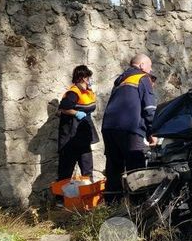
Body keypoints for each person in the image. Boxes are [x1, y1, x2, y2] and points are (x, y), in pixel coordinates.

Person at [101, 53, 157, 203]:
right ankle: (138, 208)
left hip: (109, 128)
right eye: (149, 68)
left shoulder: (120, 81)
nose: (150, 72)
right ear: (142, 65)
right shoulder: (142, 77)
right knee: (136, 169)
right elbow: (150, 108)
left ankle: (112, 206)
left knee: (114, 169)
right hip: (130, 129)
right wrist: (153, 132)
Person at [56, 65, 99, 183]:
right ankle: (61, 199)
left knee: (87, 169)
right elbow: (62, 109)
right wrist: (76, 113)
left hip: (84, 135)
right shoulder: (73, 93)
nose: (89, 80)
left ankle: (88, 198)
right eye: (88, 78)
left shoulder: (88, 92)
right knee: (66, 170)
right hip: (70, 136)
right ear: (82, 78)